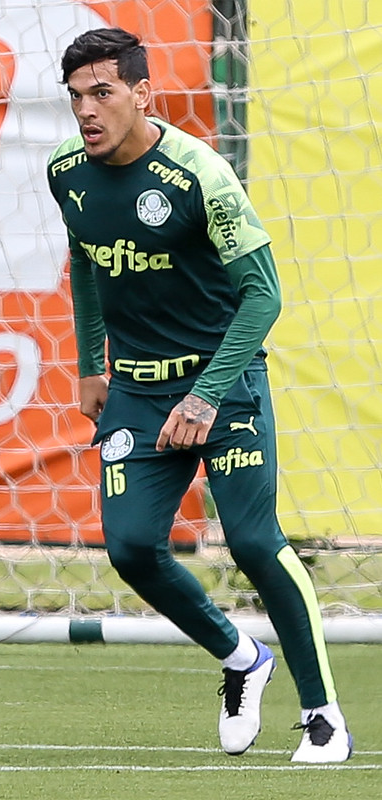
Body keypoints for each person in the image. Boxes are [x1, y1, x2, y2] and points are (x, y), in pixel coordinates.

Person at [46, 27, 352, 763]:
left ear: (142, 93)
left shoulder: (199, 174)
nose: (86, 110)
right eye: (76, 97)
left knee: (252, 541)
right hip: (136, 391)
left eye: (102, 93)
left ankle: (322, 716)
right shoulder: (66, 173)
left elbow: (263, 296)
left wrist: (206, 396)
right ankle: (242, 658)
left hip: (224, 382)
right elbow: (85, 263)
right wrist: (90, 365)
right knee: (130, 548)